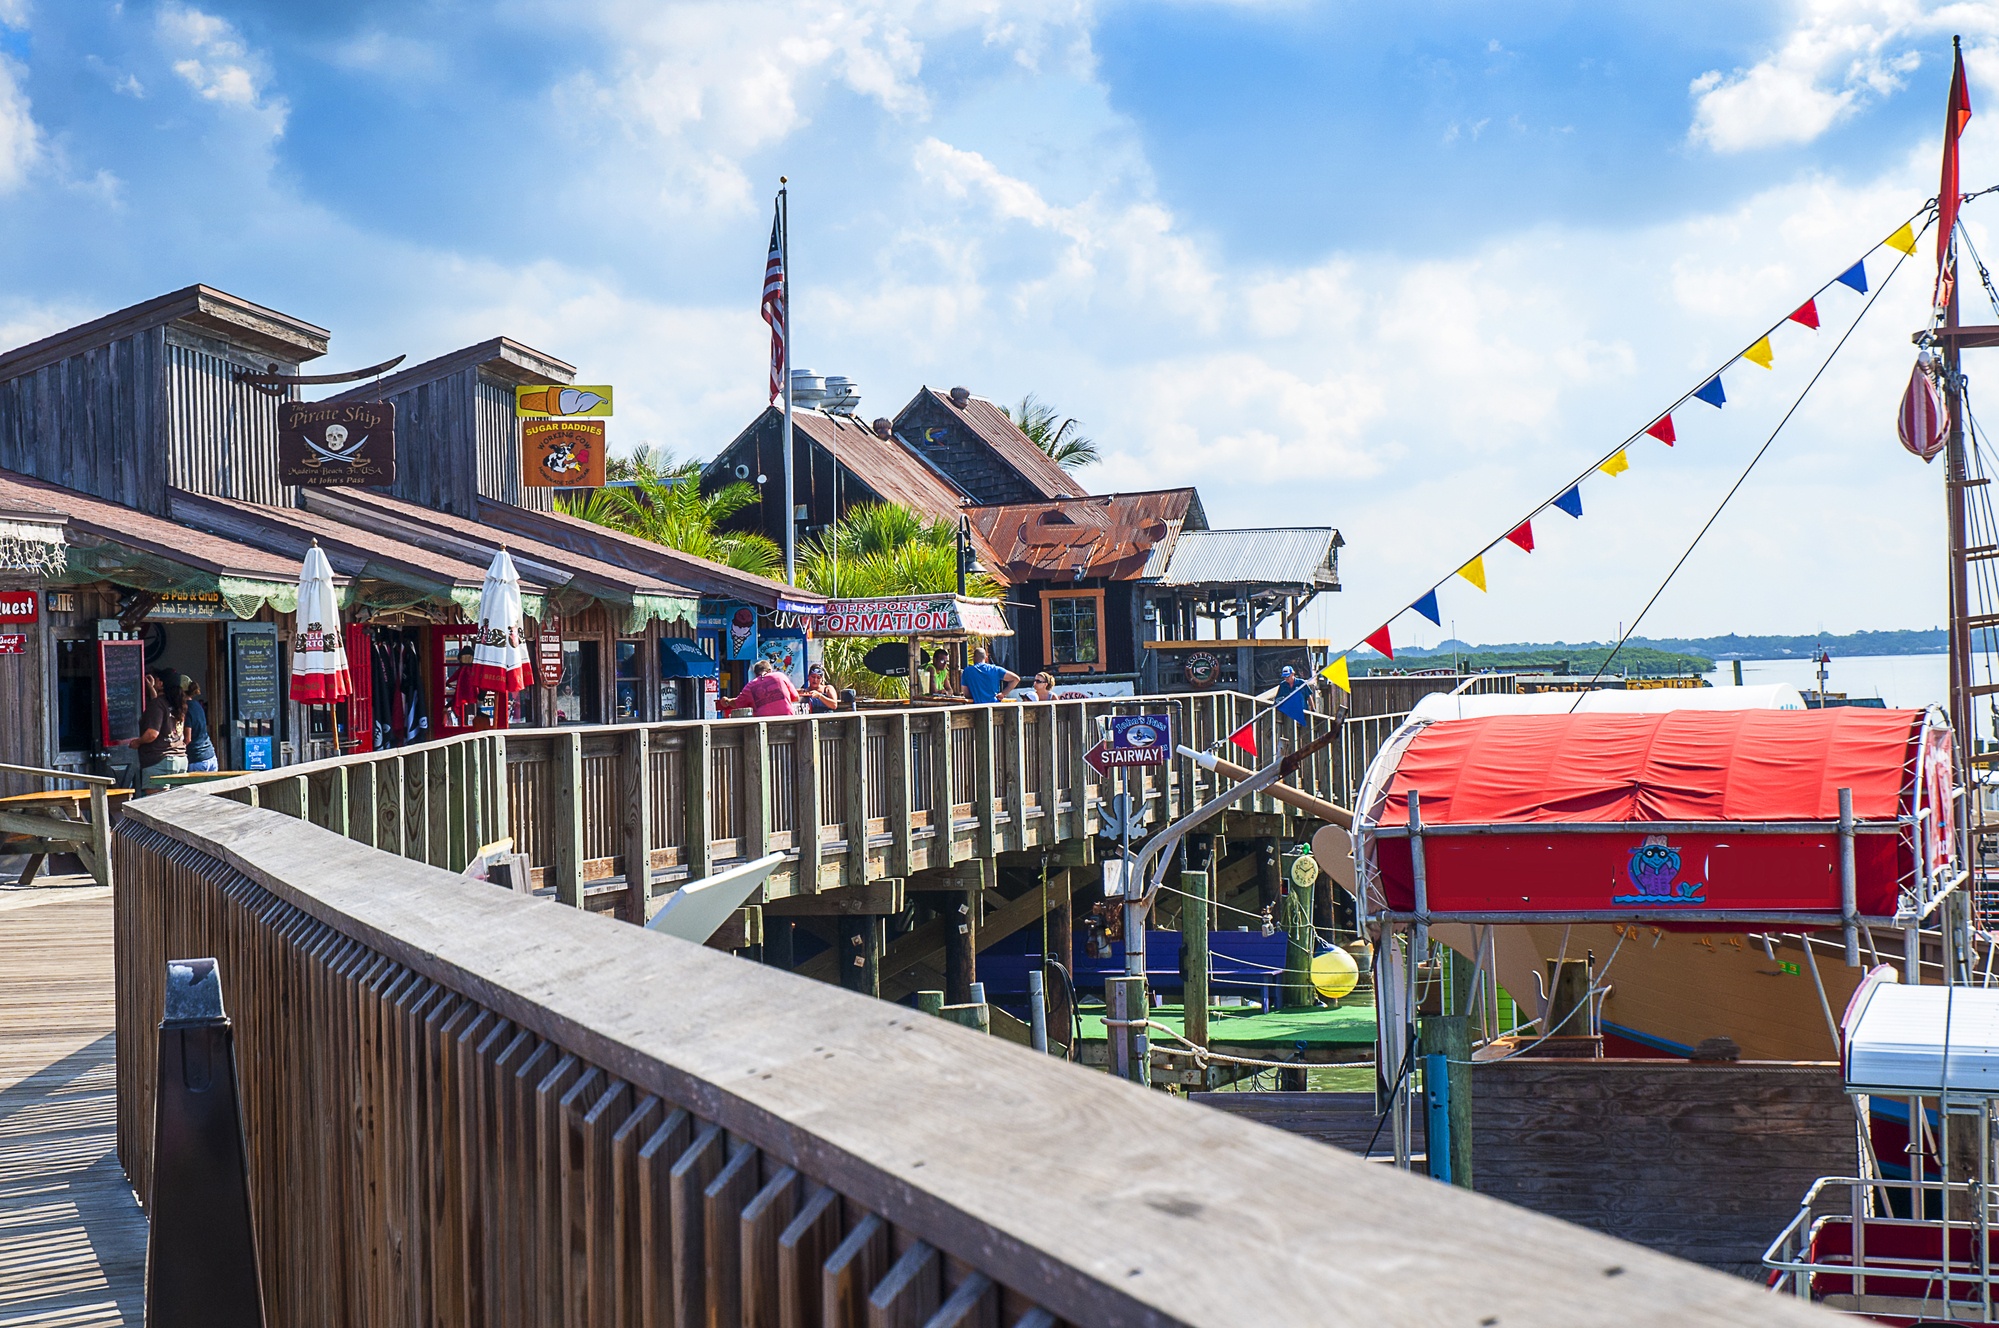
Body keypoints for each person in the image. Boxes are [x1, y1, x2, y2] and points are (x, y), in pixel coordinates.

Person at [126, 667, 189, 790]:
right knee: (177, 804)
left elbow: (152, 734)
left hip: (160, 760)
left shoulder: (158, 704)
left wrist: (137, 742)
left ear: (160, 683)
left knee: (157, 805)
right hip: (180, 759)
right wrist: (151, 688)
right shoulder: (178, 703)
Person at [718, 658, 801, 717]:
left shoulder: (750, 686)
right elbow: (795, 697)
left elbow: (737, 703)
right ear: (770, 670)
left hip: (764, 727)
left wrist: (727, 701)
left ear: (755, 674)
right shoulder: (780, 676)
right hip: (788, 721)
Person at [180, 676, 218, 772]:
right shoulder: (197, 705)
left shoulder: (186, 709)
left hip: (197, 760)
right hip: (210, 756)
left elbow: (187, 739)